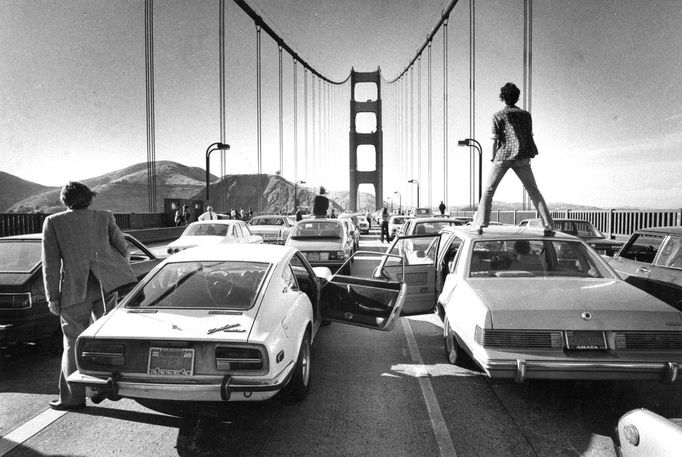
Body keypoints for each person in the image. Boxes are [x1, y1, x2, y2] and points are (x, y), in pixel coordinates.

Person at [42, 181, 137, 410]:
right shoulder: (104, 217)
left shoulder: (54, 222)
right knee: (105, 338)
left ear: (64, 201)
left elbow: (51, 263)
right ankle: (103, 387)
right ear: (89, 198)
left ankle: (72, 399)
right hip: (107, 286)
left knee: (72, 342)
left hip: (75, 290)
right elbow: (122, 248)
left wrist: (52, 296)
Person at [471, 82, 554, 235]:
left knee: (489, 190)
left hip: (503, 156)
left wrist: (492, 158)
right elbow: (529, 136)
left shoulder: (498, 116)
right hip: (522, 157)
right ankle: (548, 226)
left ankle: (480, 225)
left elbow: (495, 140)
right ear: (517, 97)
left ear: (502, 98)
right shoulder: (526, 115)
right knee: (534, 191)